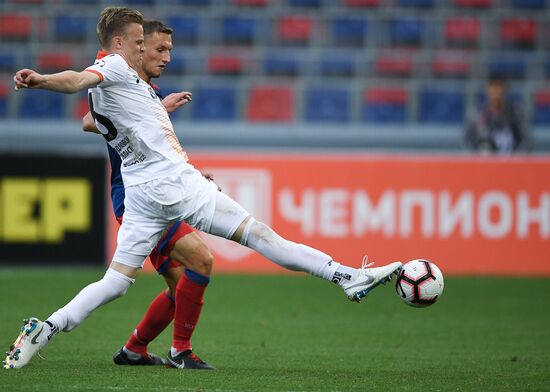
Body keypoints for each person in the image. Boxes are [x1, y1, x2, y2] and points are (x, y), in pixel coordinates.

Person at [5, 6, 402, 370]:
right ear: (118, 42)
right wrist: (41, 79)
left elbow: (97, 118)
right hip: (171, 182)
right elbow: (77, 78)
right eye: (140, 42)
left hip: (142, 192)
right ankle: (346, 277)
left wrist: (160, 108)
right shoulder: (114, 66)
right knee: (260, 236)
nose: (144, 49)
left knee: (115, 282)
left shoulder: (112, 86)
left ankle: (48, 327)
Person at [81, 19, 215, 369]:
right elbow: (86, 121)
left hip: (154, 190)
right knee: (199, 263)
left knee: (179, 285)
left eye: (169, 49)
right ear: (136, 49)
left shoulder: (147, 93)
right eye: (158, 48)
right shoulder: (122, 85)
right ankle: (179, 351)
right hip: (137, 195)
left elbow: (163, 152)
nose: (166, 56)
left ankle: (134, 350)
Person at [464, 74, 532, 154]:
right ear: (487, 89)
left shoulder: (516, 113)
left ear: (505, 89)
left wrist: (516, 157)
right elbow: (467, 141)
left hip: (512, 161)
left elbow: (527, 141)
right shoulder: (478, 114)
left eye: (499, 86)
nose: (496, 91)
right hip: (485, 162)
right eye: (493, 87)